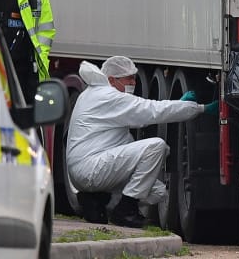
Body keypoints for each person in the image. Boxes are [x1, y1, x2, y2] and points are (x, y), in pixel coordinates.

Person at [66, 56, 218, 228]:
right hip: (91, 169)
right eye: (128, 78)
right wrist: (200, 109)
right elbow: (151, 111)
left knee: (157, 191)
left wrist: (177, 105)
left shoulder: (92, 93)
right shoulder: (108, 96)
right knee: (156, 147)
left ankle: (97, 202)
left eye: (135, 77)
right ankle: (125, 210)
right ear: (111, 80)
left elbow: (137, 118)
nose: (134, 82)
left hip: (87, 170)